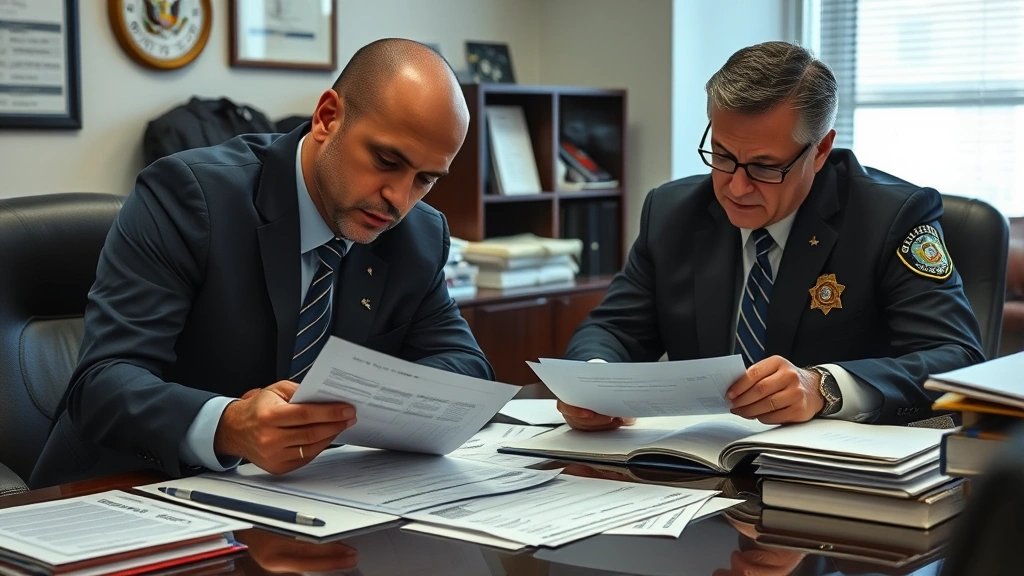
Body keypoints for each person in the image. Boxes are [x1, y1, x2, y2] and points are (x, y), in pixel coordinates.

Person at [30, 38, 493, 488]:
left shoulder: (416, 235)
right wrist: (229, 426)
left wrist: (361, 405)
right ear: (328, 117)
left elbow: (467, 369)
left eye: (425, 179)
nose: (399, 199)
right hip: (126, 492)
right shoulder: (191, 198)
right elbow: (102, 385)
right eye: (387, 160)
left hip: (306, 500)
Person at [558, 41, 984, 431]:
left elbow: (957, 358)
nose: (736, 187)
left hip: (835, 476)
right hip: (696, 467)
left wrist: (824, 387)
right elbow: (613, 330)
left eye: (765, 167)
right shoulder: (673, 212)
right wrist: (594, 384)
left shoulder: (890, 217)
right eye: (723, 156)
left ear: (820, 150)